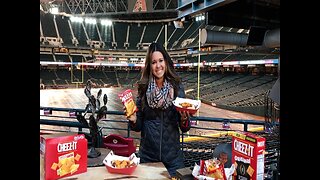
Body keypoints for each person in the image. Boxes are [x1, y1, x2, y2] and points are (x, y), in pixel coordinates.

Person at [124, 42, 191, 178]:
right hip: (148, 158)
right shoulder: (143, 88)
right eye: (154, 62)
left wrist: (185, 119)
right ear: (150, 66)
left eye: (160, 60)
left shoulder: (177, 87)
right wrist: (133, 120)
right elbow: (138, 126)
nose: (158, 65)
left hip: (173, 160)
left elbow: (184, 128)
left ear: (166, 61)